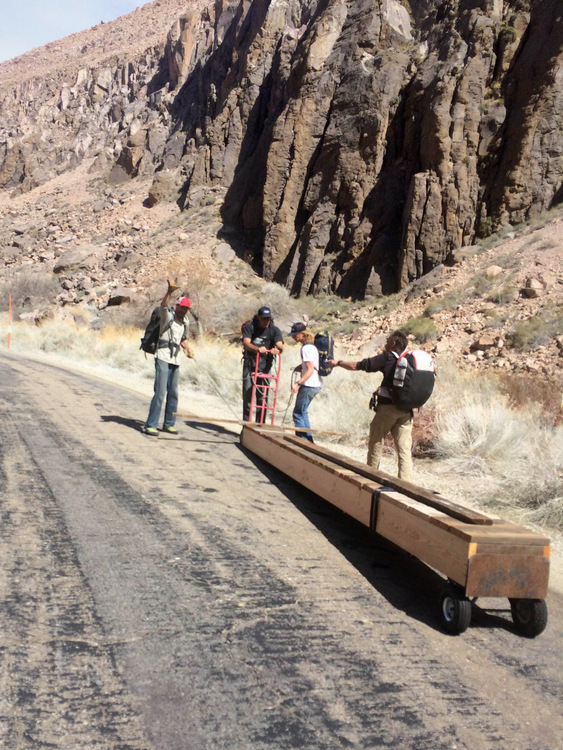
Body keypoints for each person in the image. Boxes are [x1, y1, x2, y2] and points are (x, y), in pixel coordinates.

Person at [329, 330, 413, 481]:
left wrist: (338, 363)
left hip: (388, 408)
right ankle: (406, 483)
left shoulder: (388, 357)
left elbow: (358, 365)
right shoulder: (409, 359)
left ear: (394, 343)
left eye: (387, 341)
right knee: (404, 449)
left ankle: (371, 476)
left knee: (376, 441)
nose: (385, 344)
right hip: (407, 410)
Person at [142, 281, 194, 436]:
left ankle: (169, 424)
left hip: (176, 360)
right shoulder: (168, 316)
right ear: (177, 306)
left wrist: (188, 349)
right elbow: (163, 306)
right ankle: (151, 425)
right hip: (163, 356)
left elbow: (183, 339)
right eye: (182, 307)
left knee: (173, 393)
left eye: (186, 308)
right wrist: (169, 292)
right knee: (160, 392)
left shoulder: (185, 322)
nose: (183, 310)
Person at [242, 306, 284, 422]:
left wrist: (277, 349)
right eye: (264, 319)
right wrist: (257, 349)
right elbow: (246, 343)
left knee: (263, 397)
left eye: (268, 319)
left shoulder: (274, 330)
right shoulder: (250, 327)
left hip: (265, 367)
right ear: (258, 317)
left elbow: (280, 345)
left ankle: (260, 423)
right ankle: (246, 423)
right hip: (250, 365)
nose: (266, 321)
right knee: (248, 396)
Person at [289, 322, 322, 442]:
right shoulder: (311, 346)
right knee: (302, 412)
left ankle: (302, 442)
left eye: (295, 334)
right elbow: (311, 365)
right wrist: (301, 367)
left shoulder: (306, 348)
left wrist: (298, 383)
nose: (293, 337)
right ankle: (308, 441)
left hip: (309, 385)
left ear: (302, 334)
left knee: (298, 414)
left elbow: (310, 370)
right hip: (315, 384)